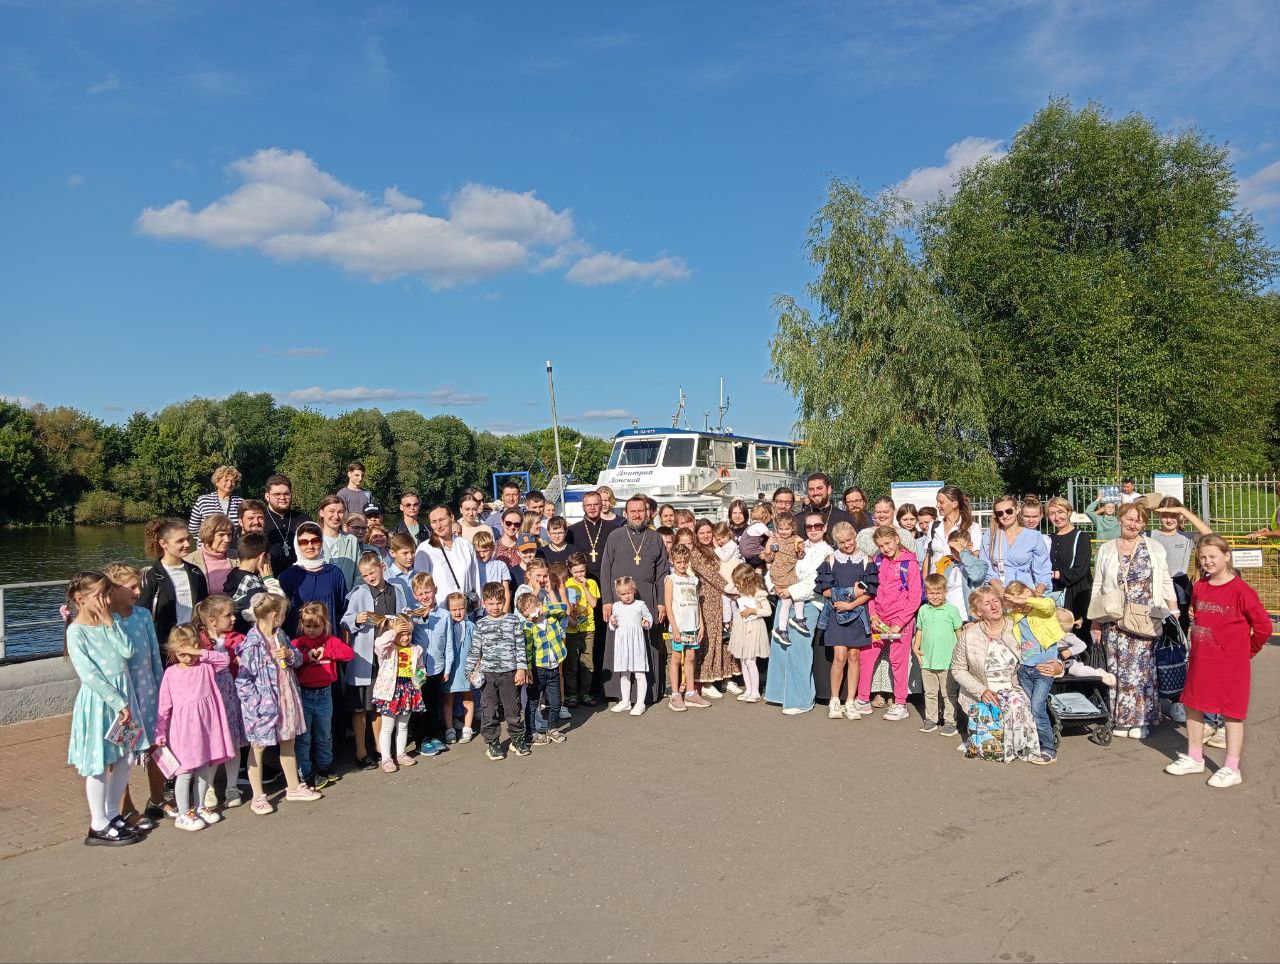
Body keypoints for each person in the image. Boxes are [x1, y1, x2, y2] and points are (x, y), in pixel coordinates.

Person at [1164, 536, 1272, 788]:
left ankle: (1232, 767)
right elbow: (1199, 616)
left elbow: (1264, 627)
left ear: (1226, 556)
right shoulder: (1200, 586)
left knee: (1232, 713)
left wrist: (1249, 650)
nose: (1207, 561)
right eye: (1203, 557)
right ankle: (1194, 757)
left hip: (1231, 663)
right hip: (1201, 659)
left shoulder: (1241, 590)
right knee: (1193, 705)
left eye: (1212, 556)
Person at [65, 571, 146, 846]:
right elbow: (89, 675)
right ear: (81, 598)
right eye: (100, 595)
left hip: (124, 698)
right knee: (99, 763)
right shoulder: (76, 631)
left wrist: (110, 622)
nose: (106, 600)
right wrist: (117, 702)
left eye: (107, 594)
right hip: (101, 702)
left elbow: (128, 651)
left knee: (127, 756)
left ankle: (113, 813)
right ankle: (98, 823)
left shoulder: (111, 622)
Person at [1089, 502, 1178, 739]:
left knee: (1141, 670)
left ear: (1144, 524)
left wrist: (1174, 610)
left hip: (1144, 617)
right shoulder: (1107, 549)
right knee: (1117, 668)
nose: (1133, 524)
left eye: (1138, 521)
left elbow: (1165, 579)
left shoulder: (1154, 547)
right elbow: (1098, 584)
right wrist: (1095, 621)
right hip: (1114, 618)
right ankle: (1121, 718)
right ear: (1120, 519)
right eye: (1129, 519)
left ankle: (1141, 720)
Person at [235, 593, 321, 814]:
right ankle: (257, 796)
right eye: (282, 614)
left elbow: (298, 660)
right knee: (258, 747)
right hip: (262, 705)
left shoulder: (280, 635)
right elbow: (243, 680)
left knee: (288, 740)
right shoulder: (252, 644)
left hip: (285, 695)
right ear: (275, 616)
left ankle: (293, 787)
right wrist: (255, 705)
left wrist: (290, 654)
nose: (283, 618)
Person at [102, 563, 170, 826]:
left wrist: (162, 688)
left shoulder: (142, 615)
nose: (138, 591)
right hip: (124, 696)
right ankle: (125, 807)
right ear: (113, 590)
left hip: (148, 690)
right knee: (124, 752)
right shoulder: (107, 621)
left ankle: (157, 799)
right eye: (131, 587)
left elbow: (154, 654)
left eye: (138, 586)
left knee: (156, 743)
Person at [155, 625, 238, 832]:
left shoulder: (205, 666)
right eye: (182, 653)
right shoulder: (171, 673)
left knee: (202, 768)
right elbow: (164, 706)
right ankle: (183, 813)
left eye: (191, 651)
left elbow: (224, 660)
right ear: (174, 652)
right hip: (183, 731)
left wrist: (199, 652)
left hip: (205, 728)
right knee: (185, 772)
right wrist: (160, 731)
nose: (188, 657)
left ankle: (199, 806)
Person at [951, 586, 1043, 763]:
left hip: (1015, 686)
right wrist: (981, 690)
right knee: (991, 746)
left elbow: (1041, 648)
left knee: (1014, 703)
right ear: (978, 612)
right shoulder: (969, 635)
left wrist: (1056, 665)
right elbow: (958, 669)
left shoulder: (1017, 627)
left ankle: (1022, 747)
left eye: (995, 601)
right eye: (987, 603)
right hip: (983, 690)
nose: (994, 606)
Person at [341, 551, 413, 767]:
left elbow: (405, 616)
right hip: (365, 659)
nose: (370, 578)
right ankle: (361, 752)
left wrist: (402, 623)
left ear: (382, 567)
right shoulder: (359, 593)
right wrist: (356, 619)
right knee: (360, 708)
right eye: (365, 575)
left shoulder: (396, 590)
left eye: (372, 572)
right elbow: (345, 621)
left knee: (380, 706)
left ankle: (381, 749)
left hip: (389, 658)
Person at [599, 495, 669, 705]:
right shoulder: (615, 536)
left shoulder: (655, 537)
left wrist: (661, 602)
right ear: (625, 513)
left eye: (641, 511)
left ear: (647, 513)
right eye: (633, 511)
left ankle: (647, 694)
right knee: (620, 644)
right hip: (619, 599)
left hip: (648, 597)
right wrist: (607, 600)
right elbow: (605, 569)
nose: (637, 515)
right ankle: (620, 695)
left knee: (647, 644)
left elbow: (662, 573)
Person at [765, 510, 832, 715]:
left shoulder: (827, 551)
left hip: (809, 602)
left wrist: (790, 592)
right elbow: (774, 566)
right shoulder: (795, 543)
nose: (813, 530)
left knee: (798, 649)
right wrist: (774, 587)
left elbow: (815, 581)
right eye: (809, 526)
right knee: (779, 646)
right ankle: (778, 694)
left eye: (817, 526)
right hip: (784, 596)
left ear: (824, 528)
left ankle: (801, 700)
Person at [814, 520, 878, 718]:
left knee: (854, 656)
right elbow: (824, 590)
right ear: (836, 542)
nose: (846, 545)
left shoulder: (867, 560)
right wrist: (850, 592)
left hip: (858, 614)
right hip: (836, 613)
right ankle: (835, 700)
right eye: (841, 542)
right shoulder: (831, 559)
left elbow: (870, 591)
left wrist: (850, 604)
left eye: (849, 540)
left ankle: (851, 701)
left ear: (854, 536)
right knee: (840, 657)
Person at [1001, 582, 1068, 765]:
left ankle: (1049, 749)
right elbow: (999, 617)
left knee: (1037, 708)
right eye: (1014, 605)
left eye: (1020, 603)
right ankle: (1033, 743)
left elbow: (1048, 604)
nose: (1018, 607)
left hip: (1043, 669)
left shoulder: (1043, 611)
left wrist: (1025, 599)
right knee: (1031, 709)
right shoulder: (1015, 615)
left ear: (1027, 593)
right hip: (1024, 669)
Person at [290, 600, 353, 790]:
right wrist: (306, 657)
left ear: (324, 624)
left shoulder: (330, 641)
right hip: (304, 694)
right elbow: (291, 660)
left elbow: (348, 654)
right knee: (304, 738)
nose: (311, 630)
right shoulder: (298, 643)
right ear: (301, 624)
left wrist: (326, 651)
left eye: (316, 626)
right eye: (307, 625)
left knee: (324, 735)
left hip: (325, 694)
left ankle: (325, 767)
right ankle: (305, 772)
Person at [191, 595, 248, 807]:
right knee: (212, 745)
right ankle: (209, 788)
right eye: (228, 615)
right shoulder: (197, 642)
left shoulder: (237, 638)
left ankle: (232, 787)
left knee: (233, 742)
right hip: (209, 701)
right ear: (212, 620)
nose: (234, 618)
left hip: (230, 699)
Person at [864, 526, 921, 721]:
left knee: (898, 661)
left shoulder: (909, 564)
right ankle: (862, 698)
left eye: (887, 543)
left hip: (901, 621)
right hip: (879, 619)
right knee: (867, 655)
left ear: (896, 539)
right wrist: (873, 615)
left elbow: (914, 598)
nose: (885, 548)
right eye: (880, 546)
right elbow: (871, 591)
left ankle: (900, 703)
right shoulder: (877, 562)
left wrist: (900, 623)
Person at [471, 582, 532, 760]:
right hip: (488, 675)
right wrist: (469, 672)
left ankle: (517, 739)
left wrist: (522, 668)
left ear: (504, 601)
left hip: (510, 673)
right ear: (484, 603)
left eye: (498, 602)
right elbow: (474, 651)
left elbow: (520, 646)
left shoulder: (513, 620)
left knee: (513, 709)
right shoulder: (480, 624)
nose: (495, 607)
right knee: (489, 710)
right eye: (491, 603)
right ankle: (493, 743)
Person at [688, 519, 741, 699]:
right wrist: (728, 588)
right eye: (701, 533)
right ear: (696, 535)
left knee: (726, 637)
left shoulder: (720, 549)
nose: (705, 536)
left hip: (727, 600)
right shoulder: (696, 554)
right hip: (708, 600)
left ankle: (727, 676)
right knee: (710, 640)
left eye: (708, 532)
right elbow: (710, 575)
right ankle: (707, 681)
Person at [139, 517, 209, 647]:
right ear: (163, 544)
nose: (187, 544)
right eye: (180, 541)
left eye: (188, 539)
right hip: (164, 643)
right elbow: (142, 611)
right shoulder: (151, 574)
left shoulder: (196, 572)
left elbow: (203, 607)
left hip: (194, 640)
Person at [372, 616, 426, 773]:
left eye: (408, 633)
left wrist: (421, 677)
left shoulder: (415, 649)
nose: (406, 637)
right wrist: (393, 632)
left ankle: (401, 754)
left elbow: (420, 668)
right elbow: (378, 643)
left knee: (403, 726)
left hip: (408, 690)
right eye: (401, 634)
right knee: (387, 727)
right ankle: (386, 758)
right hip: (390, 692)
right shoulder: (387, 649)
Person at [516, 587, 569, 744]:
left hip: (554, 668)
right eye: (527, 615)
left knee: (556, 702)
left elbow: (563, 608)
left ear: (540, 605)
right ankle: (530, 733)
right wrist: (528, 669)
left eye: (533, 611)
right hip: (538, 669)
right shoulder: (528, 627)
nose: (531, 616)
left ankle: (552, 728)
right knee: (533, 703)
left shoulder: (551, 618)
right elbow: (527, 650)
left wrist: (545, 609)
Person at [913, 573, 963, 735]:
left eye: (938, 593)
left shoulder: (952, 610)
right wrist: (916, 647)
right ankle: (931, 719)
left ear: (945, 592)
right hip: (927, 659)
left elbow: (959, 632)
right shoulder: (923, 610)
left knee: (948, 694)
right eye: (931, 593)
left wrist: (962, 654)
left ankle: (950, 722)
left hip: (947, 661)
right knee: (930, 693)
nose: (934, 596)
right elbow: (920, 630)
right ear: (926, 593)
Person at [278, 522, 348, 637]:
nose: (310, 546)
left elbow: (344, 612)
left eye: (315, 541)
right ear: (297, 545)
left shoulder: (335, 573)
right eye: (304, 542)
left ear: (322, 542)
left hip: (330, 643)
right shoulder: (287, 577)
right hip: (298, 644)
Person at [414, 504, 483, 612]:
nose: (438, 525)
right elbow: (420, 586)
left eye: (442, 520)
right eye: (434, 522)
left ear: (452, 517)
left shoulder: (465, 545)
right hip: (439, 613)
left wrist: (479, 610)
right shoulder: (424, 549)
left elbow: (475, 580)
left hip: (465, 612)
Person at [663, 544, 705, 711]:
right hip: (678, 627)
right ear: (672, 561)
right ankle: (675, 694)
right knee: (676, 658)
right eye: (679, 562)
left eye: (685, 561)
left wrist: (701, 625)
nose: (682, 564)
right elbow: (668, 605)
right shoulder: (670, 579)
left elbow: (697, 604)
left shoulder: (693, 580)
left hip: (692, 626)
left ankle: (690, 692)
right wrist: (674, 628)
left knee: (690, 657)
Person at [981, 494, 1051, 592]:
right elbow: (984, 565)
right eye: (1000, 513)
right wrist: (1000, 589)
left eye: (1009, 511)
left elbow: (1043, 569)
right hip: (998, 591)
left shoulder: (1034, 536)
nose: (1005, 515)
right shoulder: (990, 535)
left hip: (1025, 591)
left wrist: (1037, 594)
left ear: (1017, 510)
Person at [607, 576, 653, 716]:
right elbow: (612, 625)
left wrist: (646, 623)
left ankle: (640, 704)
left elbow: (649, 618)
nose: (626, 596)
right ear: (618, 594)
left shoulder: (640, 605)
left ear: (634, 590)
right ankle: (625, 702)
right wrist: (613, 623)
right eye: (623, 594)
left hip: (636, 644)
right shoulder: (616, 606)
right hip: (622, 644)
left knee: (639, 673)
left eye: (629, 592)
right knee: (624, 673)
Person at [223, 531, 284, 634]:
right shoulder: (252, 583)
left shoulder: (233, 574)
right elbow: (274, 610)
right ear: (263, 557)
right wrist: (269, 579)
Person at [727, 563, 771, 702]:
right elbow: (727, 588)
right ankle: (748, 689)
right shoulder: (741, 592)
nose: (736, 584)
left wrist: (753, 611)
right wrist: (736, 585)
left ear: (746, 579)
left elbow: (768, 611)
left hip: (754, 628)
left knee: (751, 660)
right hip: (742, 628)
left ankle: (755, 691)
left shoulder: (758, 593)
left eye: (738, 581)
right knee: (743, 660)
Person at [1046, 496, 1092, 630]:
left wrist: (1055, 575)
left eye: (1060, 512)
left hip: (1076, 595)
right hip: (1054, 594)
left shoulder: (1081, 537)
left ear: (1069, 512)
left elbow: (1080, 570)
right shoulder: (1049, 539)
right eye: (1052, 513)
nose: (1057, 517)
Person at [761, 512, 805, 641]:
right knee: (795, 596)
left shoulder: (797, 539)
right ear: (776, 528)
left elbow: (800, 556)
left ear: (793, 528)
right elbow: (769, 558)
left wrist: (800, 549)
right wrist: (768, 546)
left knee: (790, 600)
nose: (784, 532)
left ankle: (784, 627)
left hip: (789, 572)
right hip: (780, 573)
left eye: (787, 529)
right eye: (781, 529)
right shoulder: (775, 540)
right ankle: (796, 620)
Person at [564, 552, 599, 708]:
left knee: (588, 664)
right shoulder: (566, 584)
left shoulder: (591, 583)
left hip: (588, 629)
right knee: (571, 665)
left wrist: (585, 587)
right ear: (570, 570)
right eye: (576, 571)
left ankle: (585, 693)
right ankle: (572, 695)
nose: (579, 575)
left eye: (582, 571)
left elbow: (594, 604)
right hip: (571, 631)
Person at [442, 593, 478, 744]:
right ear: (448, 610)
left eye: (461, 609)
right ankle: (449, 729)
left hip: (466, 669)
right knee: (448, 699)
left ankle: (467, 728)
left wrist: (477, 664)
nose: (457, 612)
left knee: (468, 698)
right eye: (454, 609)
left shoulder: (470, 626)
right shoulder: (446, 625)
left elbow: (477, 647)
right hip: (449, 670)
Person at [262, 473, 310, 574]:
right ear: (267, 496)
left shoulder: (303, 519)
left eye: (286, 494)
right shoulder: (260, 520)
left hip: (301, 575)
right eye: (277, 494)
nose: (283, 497)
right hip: (270, 578)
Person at [937, 529, 989, 620]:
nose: (956, 552)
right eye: (952, 549)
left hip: (968, 619)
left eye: (959, 548)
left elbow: (976, 576)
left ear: (970, 546)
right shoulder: (949, 568)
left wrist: (962, 551)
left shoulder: (981, 564)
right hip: (949, 619)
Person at [184, 513, 237, 595]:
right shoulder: (188, 561)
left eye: (229, 534)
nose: (227, 539)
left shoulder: (238, 557)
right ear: (208, 535)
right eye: (221, 535)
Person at [189, 465, 243, 543]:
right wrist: (207, 539)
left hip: (232, 547)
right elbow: (193, 528)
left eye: (233, 481)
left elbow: (243, 528)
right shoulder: (203, 500)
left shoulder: (240, 502)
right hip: (207, 546)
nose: (230, 483)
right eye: (226, 480)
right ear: (217, 482)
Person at [317, 495, 360, 587]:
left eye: (340, 512)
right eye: (332, 511)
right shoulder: (311, 540)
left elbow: (358, 574)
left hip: (348, 594)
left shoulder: (352, 541)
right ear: (322, 512)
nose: (336, 516)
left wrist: (353, 594)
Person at [799, 472, 853, 544]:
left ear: (829, 489)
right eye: (811, 489)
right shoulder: (798, 519)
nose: (815, 493)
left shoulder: (845, 518)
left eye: (819, 488)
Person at [473, 530, 513, 612]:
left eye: (485, 551)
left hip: (497, 608)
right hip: (478, 609)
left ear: (492, 548)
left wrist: (504, 612)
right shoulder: (473, 565)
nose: (481, 555)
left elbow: (506, 591)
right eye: (478, 551)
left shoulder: (500, 565)